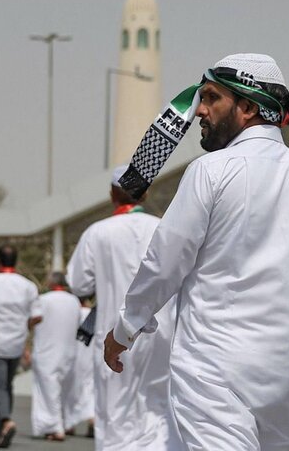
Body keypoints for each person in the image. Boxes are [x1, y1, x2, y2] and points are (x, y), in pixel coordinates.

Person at [104, 53, 289, 450]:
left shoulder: (211, 171)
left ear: (246, 107)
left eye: (210, 98)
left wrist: (124, 329)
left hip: (213, 375)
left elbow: (164, 264)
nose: (199, 112)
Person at [67, 166, 179, 451]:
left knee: (115, 414)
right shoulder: (164, 227)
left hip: (113, 334)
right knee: (157, 412)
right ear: (146, 193)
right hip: (163, 334)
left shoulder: (98, 233)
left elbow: (78, 284)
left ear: (113, 194)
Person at [0, 244, 42, 448]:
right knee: (7, 385)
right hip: (16, 343)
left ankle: (4, 420)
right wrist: (23, 326)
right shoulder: (28, 286)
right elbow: (37, 316)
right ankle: (2, 426)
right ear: (16, 261)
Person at [29, 272, 80, 441]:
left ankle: (55, 427)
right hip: (68, 352)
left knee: (47, 391)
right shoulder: (74, 301)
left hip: (47, 351)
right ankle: (65, 422)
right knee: (64, 389)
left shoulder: (44, 299)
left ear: (50, 282)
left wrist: (26, 325)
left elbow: (34, 318)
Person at [64, 296, 95, 438]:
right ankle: (92, 420)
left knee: (71, 390)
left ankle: (69, 423)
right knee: (91, 389)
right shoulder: (94, 313)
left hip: (73, 356)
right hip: (91, 357)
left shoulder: (72, 311)